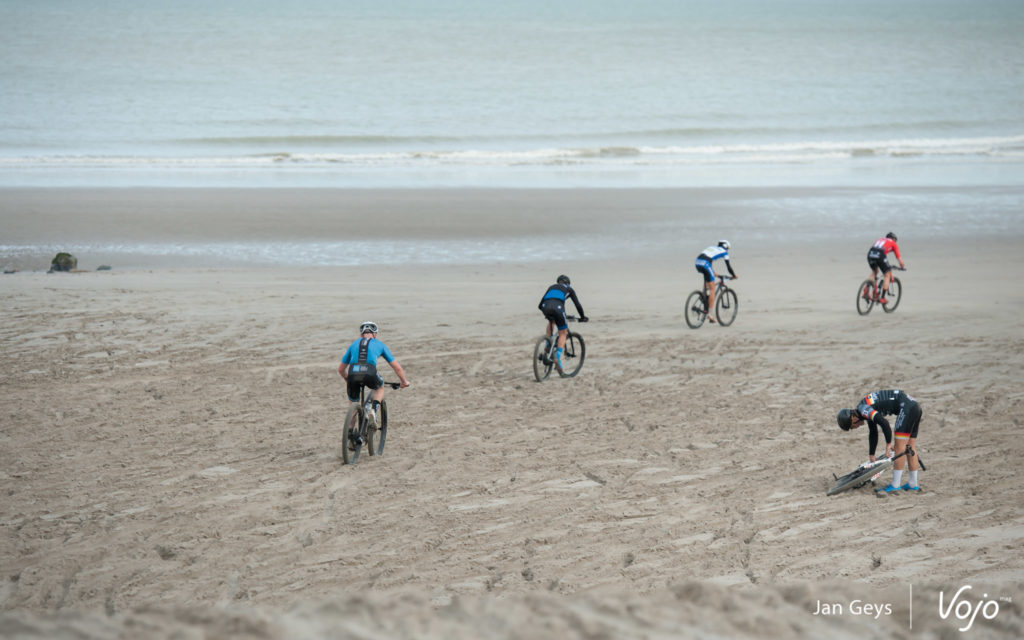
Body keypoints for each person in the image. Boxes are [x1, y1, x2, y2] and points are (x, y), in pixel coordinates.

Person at [836, 389, 923, 493]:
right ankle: (913, 484)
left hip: (907, 409)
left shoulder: (863, 409)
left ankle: (895, 486)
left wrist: (888, 444)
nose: (856, 428)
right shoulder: (864, 408)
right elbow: (873, 432)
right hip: (915, 407)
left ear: (853, 419)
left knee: (900, 448)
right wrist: (871, 455)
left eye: (852, 427)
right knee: (910, 447)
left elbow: (884, 423)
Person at [338, 321, 410, 443]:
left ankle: (350, 434)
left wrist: (347, 378)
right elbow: (397, 368)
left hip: (352, 372)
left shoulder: (353, 344)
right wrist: (404, 382)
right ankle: (373, 410)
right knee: (379, 387)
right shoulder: (380, 344)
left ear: (361, 335)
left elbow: (341, 369)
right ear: (375, 334)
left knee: (353, 404)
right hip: (369, 372)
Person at [538, 275, 588, 373]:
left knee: (551, 321)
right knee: (563, 332)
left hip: (545, 307)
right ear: (568, 283)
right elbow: (577, 304)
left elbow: (540, 304)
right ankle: (557, 356)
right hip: (558, 308)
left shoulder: (551, 287)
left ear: (558, 282)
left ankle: (548, 343)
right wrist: (582, 317)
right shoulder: (569, 289)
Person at [694, 240, 737, 323]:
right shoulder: (724, 252)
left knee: (708, 279)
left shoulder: (712, 248)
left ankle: (703, 297)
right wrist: (734, 275)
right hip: (705, 263)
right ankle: (710, 315)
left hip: (697, 262)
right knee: (713, 288)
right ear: (726, 247)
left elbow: (708, 262)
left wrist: (716, 274)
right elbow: (728, 267)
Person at [866, 232, 906, 304]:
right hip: (880, 255)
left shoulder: (880, 239)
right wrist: (902, 266)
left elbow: (875, 248)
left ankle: (866, 289)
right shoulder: (893, 243)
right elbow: (899, 258)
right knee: (887, 274)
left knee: (875, 271)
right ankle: (882, 298)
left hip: (870, 253)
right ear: (893, 239)